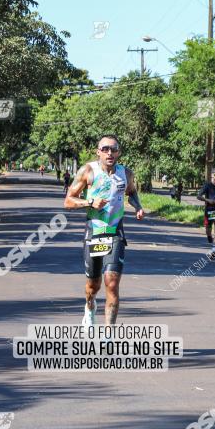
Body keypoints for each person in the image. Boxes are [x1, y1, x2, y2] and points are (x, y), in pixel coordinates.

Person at [63, 134, 145, 325]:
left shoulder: (126, 174)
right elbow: (68, 200)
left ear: (119, 152)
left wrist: (138, 206)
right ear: (98, 152)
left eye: (114, 149)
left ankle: (109, 334)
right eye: (105, 149)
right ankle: (89, 306)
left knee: (112, 282)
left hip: (115, 232)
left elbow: (131, 192)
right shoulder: (88, 171)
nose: (110, 152)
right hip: (94, 232)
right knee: (93, 285)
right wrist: (90, 202)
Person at [197, 170, 215, 259]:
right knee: (208, 231)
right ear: (212, 175)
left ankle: (213, 251)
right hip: (209, 211)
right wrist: (208, 200)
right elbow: (198, 196)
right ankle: (209, 235)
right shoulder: (207, 185)